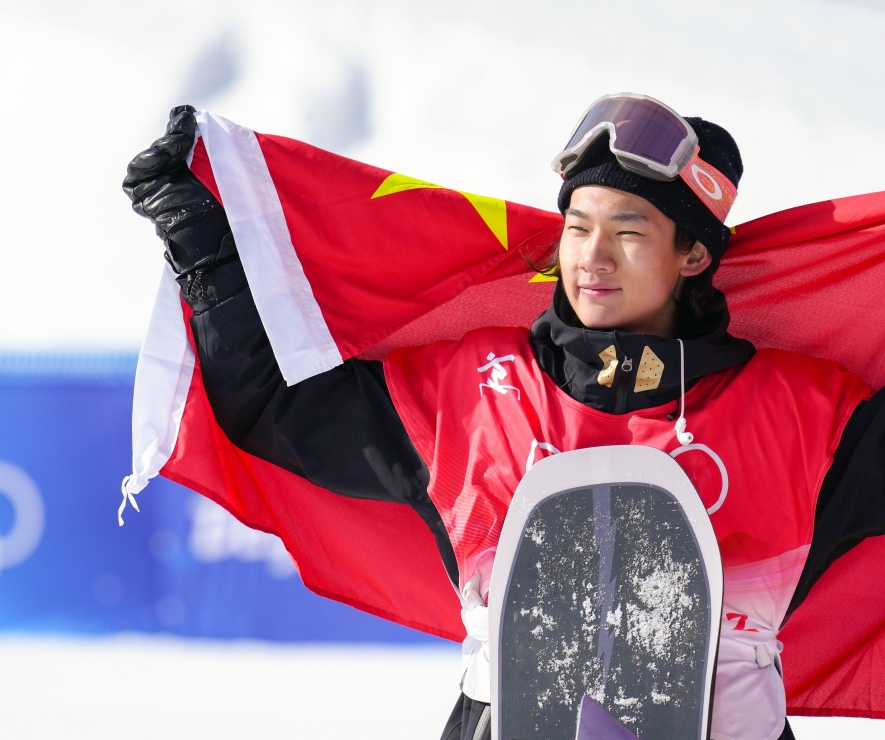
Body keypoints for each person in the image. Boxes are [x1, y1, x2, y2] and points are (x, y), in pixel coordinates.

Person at [123, 96, 885, 740]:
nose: (594, 256)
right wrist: (210, 253)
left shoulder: (801, 414)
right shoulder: (481, 392)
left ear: (692, 255)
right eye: (578, 226)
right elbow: (279, 407)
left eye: (628, 231)